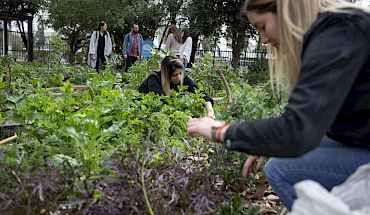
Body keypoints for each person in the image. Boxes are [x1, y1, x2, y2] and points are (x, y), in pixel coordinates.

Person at [187, 0, 370, 211]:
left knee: (281, 171)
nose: (263, 39)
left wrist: (219, 131)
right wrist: (271, 141)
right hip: (362, 140)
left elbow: (297, 131)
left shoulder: (337, 32)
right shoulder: (339, 28)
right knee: (277, 162)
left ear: (287, 11)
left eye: (262, 26)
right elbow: (310, 120)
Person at [138, 55, 215, 118]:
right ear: (166, 74)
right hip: (143, 108)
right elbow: (161, 104)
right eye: (174, 75)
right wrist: (183, 116)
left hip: (170, 109)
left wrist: (210, 112)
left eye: (180, 73)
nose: (179, 77)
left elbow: (200, 92)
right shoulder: (154, 79)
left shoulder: (183, 77)